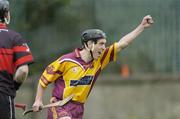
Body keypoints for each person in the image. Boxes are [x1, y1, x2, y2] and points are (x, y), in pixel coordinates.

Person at [32, 15, 153, 119]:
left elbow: (123, 44)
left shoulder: (100, 59)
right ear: (89, 44)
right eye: (101, 44)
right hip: (59, 106)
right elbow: (44, 79)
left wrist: (141, 26)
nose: (103, 47)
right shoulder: (66, 61)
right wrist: (38, 100)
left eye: (104, 44)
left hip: (79, 108)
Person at [0, 0, 34, 119]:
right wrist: (15, 86)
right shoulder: (14, 37)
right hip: (3, 94)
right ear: (5, 14)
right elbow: (23, 71)